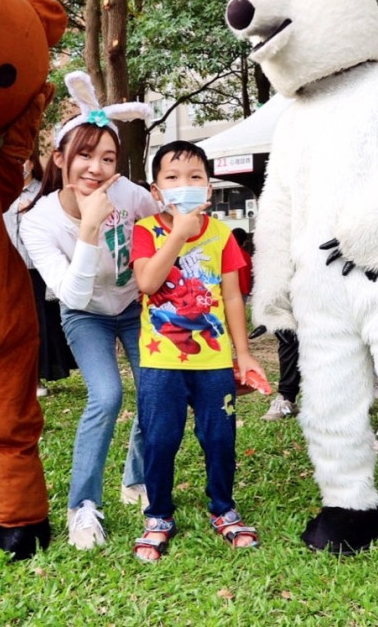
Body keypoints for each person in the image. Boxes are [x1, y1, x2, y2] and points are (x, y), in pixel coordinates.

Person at [19, 70, 157, 550]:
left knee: (154, 392)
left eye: (107, 158)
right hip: (85, 315)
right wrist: (89, 229)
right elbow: (72, 297)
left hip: (135, 306)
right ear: (60, 158)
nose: (95, 168)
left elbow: (161, 233)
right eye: (84, 155)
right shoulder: (38, 222)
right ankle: (83, 505)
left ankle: (135, 478)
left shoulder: (130, 195)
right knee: (106, 396)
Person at [130, 141, 270, 561]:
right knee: (159, 439)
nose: (184, 185)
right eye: (172, 178)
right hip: (160, 363)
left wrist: (242, 354)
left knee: (219, 437)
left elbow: (231, 299)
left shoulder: (222, 235)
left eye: (194, 177)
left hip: (212, 362)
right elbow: (148, 283)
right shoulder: (146, 231)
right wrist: (177, 234)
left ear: (208, 188)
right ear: (156, 190)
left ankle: (223, 508)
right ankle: (158, 515)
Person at [3, 145, 75, 397]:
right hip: (7, 269)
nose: (19, 166)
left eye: (23, 161)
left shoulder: (44, 193)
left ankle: (36, 378)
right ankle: (14, 378)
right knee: (11, 326)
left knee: (38, 324)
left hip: (38, 270)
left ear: (33, 163)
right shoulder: (2, 191)